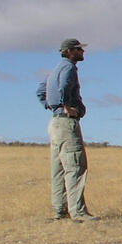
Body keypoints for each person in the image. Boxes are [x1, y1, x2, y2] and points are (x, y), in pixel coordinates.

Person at [35, 37, 94, 220]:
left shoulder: (54, 70)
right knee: (75, 166)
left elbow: (40, 91)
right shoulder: (69, 68)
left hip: (55, 123)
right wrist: (66, 106)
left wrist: (52, 106)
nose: (82, 52)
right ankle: (78, 212)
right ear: (69, 51)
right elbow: (64, 86)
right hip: (66, 123)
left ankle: (60, 210)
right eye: (78, 49)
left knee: (59, 169)